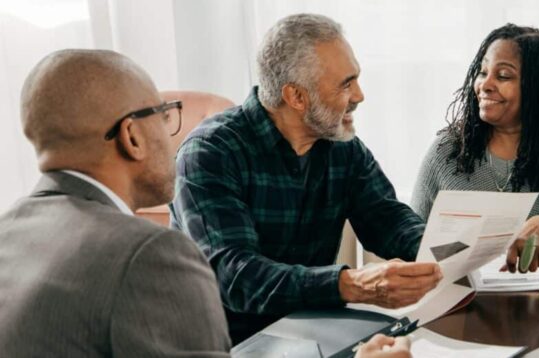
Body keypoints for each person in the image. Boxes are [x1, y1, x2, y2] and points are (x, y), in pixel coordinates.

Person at [0, 49, 409, 358]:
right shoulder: (151, 256)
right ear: (132, 136)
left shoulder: (9, 231)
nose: (172, 131)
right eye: (164, 114)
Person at [170, 13, 442, 344]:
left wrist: (444, 250)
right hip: (226, 341)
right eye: (346, 83)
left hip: (309, 331)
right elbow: (237, 276)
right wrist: (348, 285)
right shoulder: (210, 153)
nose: (359, 95)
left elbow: (386, 218)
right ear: (296, 97)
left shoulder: (343, 146)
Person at [411, 24, 539, 273]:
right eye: (482, 71)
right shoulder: (447, 149)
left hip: (538, 300)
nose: (485, 85)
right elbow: (413, 236)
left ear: (538, 88)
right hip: (458, 297)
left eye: (503, 76)